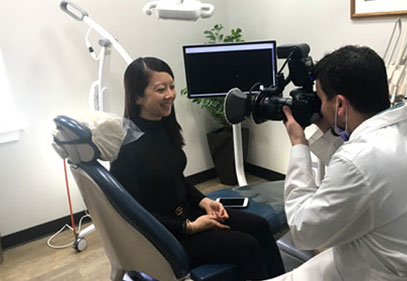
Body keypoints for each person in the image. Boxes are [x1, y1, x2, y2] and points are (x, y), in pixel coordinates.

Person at [269, 45, 407, 281]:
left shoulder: (358, 161)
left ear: (340, 105)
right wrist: (326, 127)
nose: (318, 107)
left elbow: (303, 230)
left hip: (385, 272)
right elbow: (367, 176)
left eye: (320, 99)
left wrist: (299, 144)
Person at [110, 57, 284, 280]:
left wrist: (205, 202)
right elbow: (134, 214)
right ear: (137, 97)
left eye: (172, 86)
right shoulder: (126, 148)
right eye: (161, 89)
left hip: (188, 214)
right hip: (165, 235)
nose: (170, 95)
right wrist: (189, 227)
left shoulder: (164, 126)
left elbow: (177, 178)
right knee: (247, 246)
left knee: (259, 226)